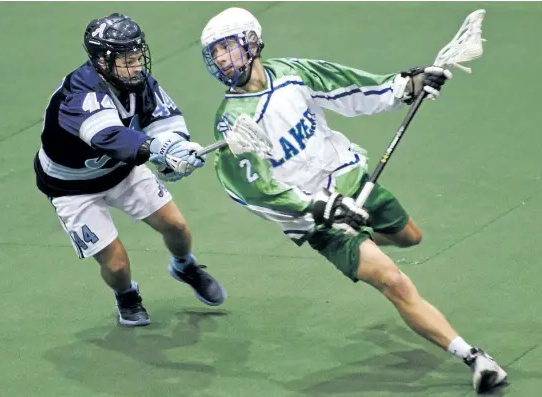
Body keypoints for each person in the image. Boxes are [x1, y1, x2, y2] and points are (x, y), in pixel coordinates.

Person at [200, 7, 507, 393]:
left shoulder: (292, 72)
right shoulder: (232, 123)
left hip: (353, 181)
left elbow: (349, 88)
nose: (224, 60)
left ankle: (363, 241)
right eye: (215, 54)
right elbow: (253, 191)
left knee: (411, 237)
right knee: (394, 281)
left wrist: (405, 87)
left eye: (228, 48)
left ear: (252, 41)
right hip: (319, 219)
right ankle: (474, 358)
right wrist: (317, 208)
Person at [34, 13, 226, 327]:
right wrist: (157, 149)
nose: (137, 64)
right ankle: (126, 295)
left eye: (138, 55)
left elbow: (166, 121)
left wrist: (179, 150)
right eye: (128, 59)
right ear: (101, 61)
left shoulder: (138, 82)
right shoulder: (78, 94)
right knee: (118, 265)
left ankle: (185, 266)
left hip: (121, 171)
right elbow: (109, 137)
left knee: (177, 227)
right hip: (72, 188)